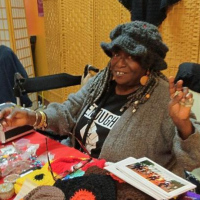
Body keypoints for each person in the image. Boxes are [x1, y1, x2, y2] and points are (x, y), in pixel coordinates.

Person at [0, 21, 200, 178]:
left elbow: (193, 160)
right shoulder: (101, 81)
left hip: (127, 189)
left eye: (130, 56)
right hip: (75, 169)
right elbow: (67, 112)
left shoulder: (164, 98)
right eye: (115, 54)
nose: (118, 63)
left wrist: (183, 124)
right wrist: (31, 116)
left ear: (148, 64)